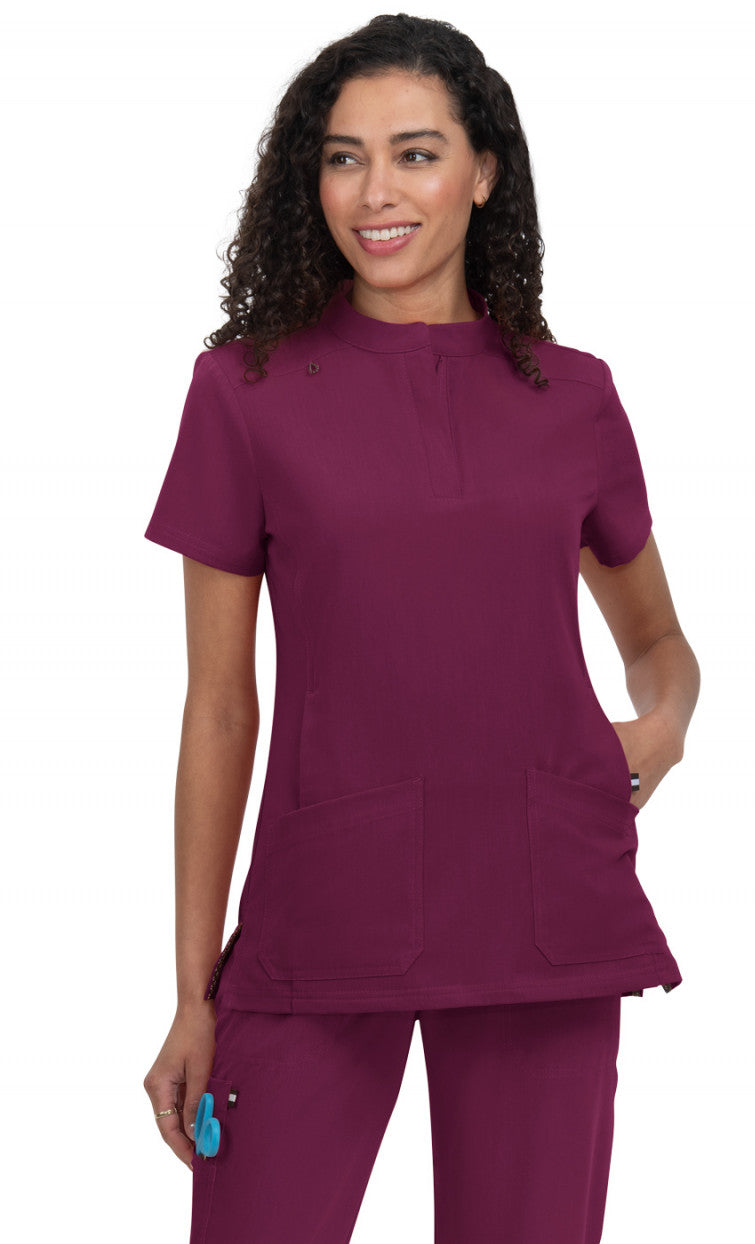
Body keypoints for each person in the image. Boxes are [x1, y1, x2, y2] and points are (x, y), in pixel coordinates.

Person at [141, 13, 700, 1243]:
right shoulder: (243, 390)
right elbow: (220, 703)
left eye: (414, 154)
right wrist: (191, 991)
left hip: (543, 902)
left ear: (483, 171)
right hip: (318, 914)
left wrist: (659, 726)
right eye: (342, 158)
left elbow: (658, 640)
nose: (374, 192)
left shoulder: (574, 394)